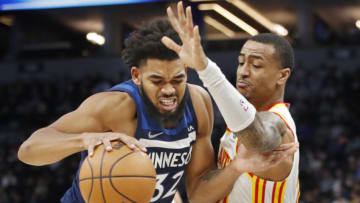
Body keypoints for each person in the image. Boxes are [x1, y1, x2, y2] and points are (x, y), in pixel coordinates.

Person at [17, 17, 297, 203]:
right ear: (136, 75)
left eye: (177, 79)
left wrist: (236, 168)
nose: (168, 90)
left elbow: (199, 191)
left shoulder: (198, 104)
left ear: (186, 70)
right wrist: (84, 139)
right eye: (156, 80)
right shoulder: (114, 106)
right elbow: (29, 150)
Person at [162, 2, 300, 202]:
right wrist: (235, 168)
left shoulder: (279, 123)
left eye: (256, 65)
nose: (243, 71)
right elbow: (199, 198)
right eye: (241, 62)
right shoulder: (237, 124)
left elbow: (259, 137)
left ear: (282, 76)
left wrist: (206, 69)